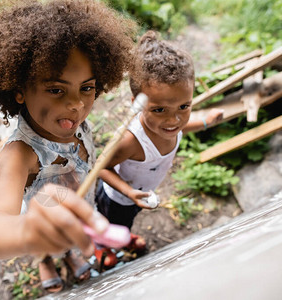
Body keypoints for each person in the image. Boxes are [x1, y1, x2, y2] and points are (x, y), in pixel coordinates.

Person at [0, 0, 137, 293]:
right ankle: (45, 260)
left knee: (66, 238)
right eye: (56, 90)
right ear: (19, 89)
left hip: (80, 205)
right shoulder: (19, 154)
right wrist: (28, 231)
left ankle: (68, 253)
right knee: (48, 240)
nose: (76, 104)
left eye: (87, 87)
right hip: (41, 222)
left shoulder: (77, 123)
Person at [95, 30, 224, 268]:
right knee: (113, 222)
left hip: (138, 195)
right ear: (137, 104)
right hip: (118, 198)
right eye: (159, 110)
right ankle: (103, 245)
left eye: (184, 106)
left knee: (128, 220)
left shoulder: (170, 125)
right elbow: (99, 168)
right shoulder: (131, 141)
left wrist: (206, 121)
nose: (173, 120)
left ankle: (121, 237)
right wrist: (129, 192)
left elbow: (183, 127)